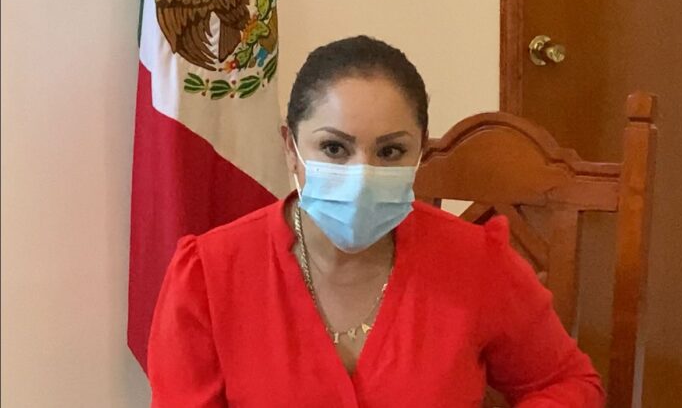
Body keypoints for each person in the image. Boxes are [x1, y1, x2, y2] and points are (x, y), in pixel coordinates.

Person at [147, 35, 605, 407]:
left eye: (390, 152)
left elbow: (567, 383)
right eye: (334, 148)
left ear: (420, 151)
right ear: (290, 147)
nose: (362, 175)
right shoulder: (208, 277)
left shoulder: (475, 262)